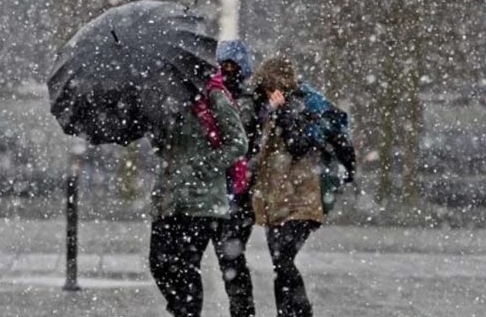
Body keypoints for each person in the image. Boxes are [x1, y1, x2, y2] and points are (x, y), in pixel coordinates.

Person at [250, 54, 354, 317]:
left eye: (266, 86)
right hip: (277, 198)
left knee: (283, 260)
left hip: (303, 197)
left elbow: (299, 145)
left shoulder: (300, 105)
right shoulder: (267, 107)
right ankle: (288, 313)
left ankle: (300, 312)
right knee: (279, 263)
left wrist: (283, 112)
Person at [148, 69, 248, 317]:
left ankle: (187, 311)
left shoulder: (212, 96)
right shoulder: (165, 98)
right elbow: (164, 148)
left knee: (186, 267)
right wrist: (158, 127)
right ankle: (182, 309)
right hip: (168, 198)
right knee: (159, 263)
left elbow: (238, 142)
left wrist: (204, 167)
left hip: (202, 201)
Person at [212, 39, 258, 317]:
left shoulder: (251, 99)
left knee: (231, 258)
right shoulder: (213, 95)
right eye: (223, 65)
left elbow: (248, 140)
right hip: (219, 189)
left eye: (233, 65)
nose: (228, 71)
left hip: (239, 191)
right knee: (228, 258)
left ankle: (242, 312)